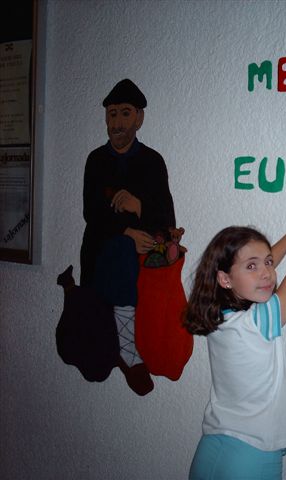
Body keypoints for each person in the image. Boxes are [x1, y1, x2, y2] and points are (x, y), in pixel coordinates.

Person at [184, 177, 286, 480]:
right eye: (253, 266)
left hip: (210, 451)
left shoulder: (219, 317)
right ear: (224, 279)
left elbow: (248, 274)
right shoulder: (257, 321)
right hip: (250, 457)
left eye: (268, 262)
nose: (266, 274)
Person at [79, 78, 176, 395]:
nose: (116, 123)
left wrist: (140, 207)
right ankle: (125, 348)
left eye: (123, 114)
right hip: (103, 256)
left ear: (139, 118)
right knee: (121, 247)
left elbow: (166, 217)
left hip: (143, 260)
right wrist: (126, 231)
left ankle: (138, 346)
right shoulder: (96, 160)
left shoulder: (152, 161)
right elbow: (91, 214)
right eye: (111, 114)